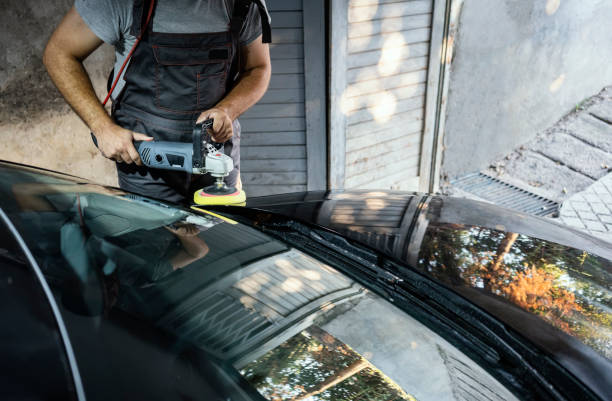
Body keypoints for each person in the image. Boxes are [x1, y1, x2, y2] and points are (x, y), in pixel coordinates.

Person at [43, 0, 272, 203]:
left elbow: (258, 68)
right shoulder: (121, 3)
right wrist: (102, 127)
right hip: (147, 162)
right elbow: (58, 53)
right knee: (159, 246)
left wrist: (227, 110)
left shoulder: (245, 3)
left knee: (227, 243)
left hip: (217, 152)